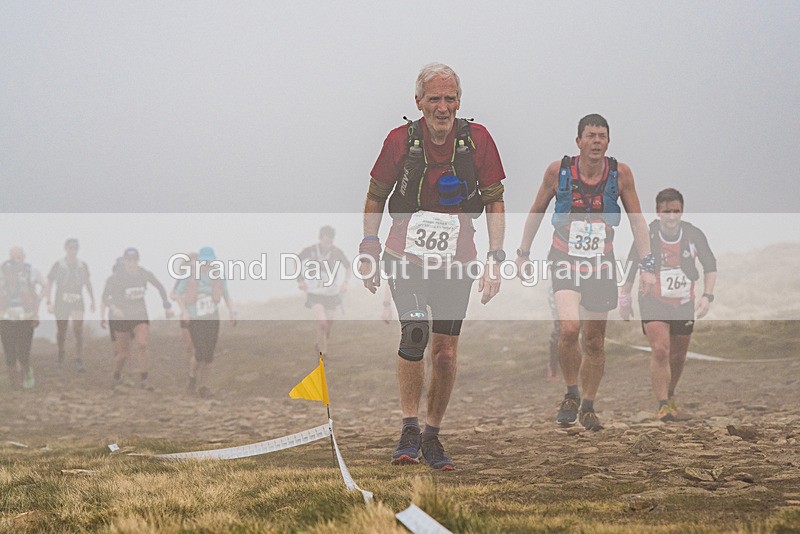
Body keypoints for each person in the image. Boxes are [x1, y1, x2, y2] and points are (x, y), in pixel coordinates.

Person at [360, 63, 506, 470]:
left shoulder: (478, 141)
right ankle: (408, 427)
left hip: (457, 262)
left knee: (443, 354)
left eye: (450, 98)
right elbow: (375, 196)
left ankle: (432, 435)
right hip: (403, 257)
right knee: (415, 333)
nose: (443, 107)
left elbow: (495, 201)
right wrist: (369, 247)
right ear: (419, 102)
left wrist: (495, 258)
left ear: (459, 101)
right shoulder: (398, 142)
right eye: (435, 99)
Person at [515, 114, 655, 431]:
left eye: (602, 136)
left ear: (608, 141)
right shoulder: (558, 171)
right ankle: (571, 393)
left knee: (594, 341)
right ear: (578, 141)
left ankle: (589, 405)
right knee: (568, 328)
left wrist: (648, 265)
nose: (596, 141)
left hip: (601, 264)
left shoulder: (621, 175)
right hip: (563, 258)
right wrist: (523, 253)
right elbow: (536, 211)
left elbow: (637, 220)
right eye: (590, 136)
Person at [619, 188, 716, 421]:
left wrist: (707, 296)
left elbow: (710, 266)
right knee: (661, 350)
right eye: (666, 212)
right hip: (653, 299)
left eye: (676, 211)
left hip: (683, 301)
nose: (671, 217)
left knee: (678, 356)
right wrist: (624, 296)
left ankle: (670, 393)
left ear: (682, 211)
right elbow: (632, 265)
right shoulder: (648, 234)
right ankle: (663, 404)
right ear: (658, 212)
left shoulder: (693, 234)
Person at [102, 247, 173, 390]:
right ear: (125, 261)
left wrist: (166, 305)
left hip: (140, 314)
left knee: (142, 345)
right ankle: (116, 375)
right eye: (128, 260)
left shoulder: (143, 274)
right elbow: (105, 297)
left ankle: (144, 380)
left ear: (138, 260)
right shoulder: (116, 278)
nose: (131, 263)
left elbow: (160, 287)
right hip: (122, 318)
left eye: (134, 260)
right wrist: (115, 308)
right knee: (124, 353)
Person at [174, 247, 236, 398]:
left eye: (209, 261)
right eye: (204, 261)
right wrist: (185, 311)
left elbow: (227, 296)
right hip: (195, 319)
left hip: (212, 318)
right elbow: (177, 293)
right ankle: (192, 378)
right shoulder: (189, 276)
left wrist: (232, 312)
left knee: (209, 355)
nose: (207, 264)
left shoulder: (218, 276)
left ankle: (204, 386)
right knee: (200, 353)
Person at [297, 226, 350, 356]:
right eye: (326, 240)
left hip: (332, 293)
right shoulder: (311, 250)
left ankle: (321, 341)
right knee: (322, 322)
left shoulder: (337, 252)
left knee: (329, 322)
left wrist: (345, 283)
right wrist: (300, 280)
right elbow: (297, 260)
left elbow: (348, 267)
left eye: (330, 240)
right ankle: (323, 352)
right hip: (314, 293)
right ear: (320, 238)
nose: (328, 243)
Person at [44, 238, 95, 371]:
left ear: (78, 249)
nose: (72, 251)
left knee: (78, 329)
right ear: (65, 249)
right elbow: (49, 282)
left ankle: (78, 358)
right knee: (62, 330)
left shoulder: (82, 265)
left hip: (77, 297)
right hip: (61, 298)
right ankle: (61, 354)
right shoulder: (58, 265)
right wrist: (48, 301)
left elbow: (88, 283)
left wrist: (92, 300)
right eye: (70, 248)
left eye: (75, 248)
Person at [0, 247, 46, 389]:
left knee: (23, 352)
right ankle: (14, 383)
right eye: (7, 273)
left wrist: (35, 315)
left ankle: (26, 372)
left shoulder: (25, 286)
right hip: (6, 321)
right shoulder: (1, 287)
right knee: (9, 352)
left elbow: (33, 302)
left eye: (12, 273)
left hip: (24, 321)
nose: (9, 276)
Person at [171, 252, 198, 391]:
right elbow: (173, 294)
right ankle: (190, 372)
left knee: (197, 347)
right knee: (190, 346)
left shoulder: (205, 277)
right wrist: (181, 298)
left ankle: (193, 374)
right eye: (191, 262)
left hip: (200, 315)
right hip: (186, 315)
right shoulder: (183, 278)